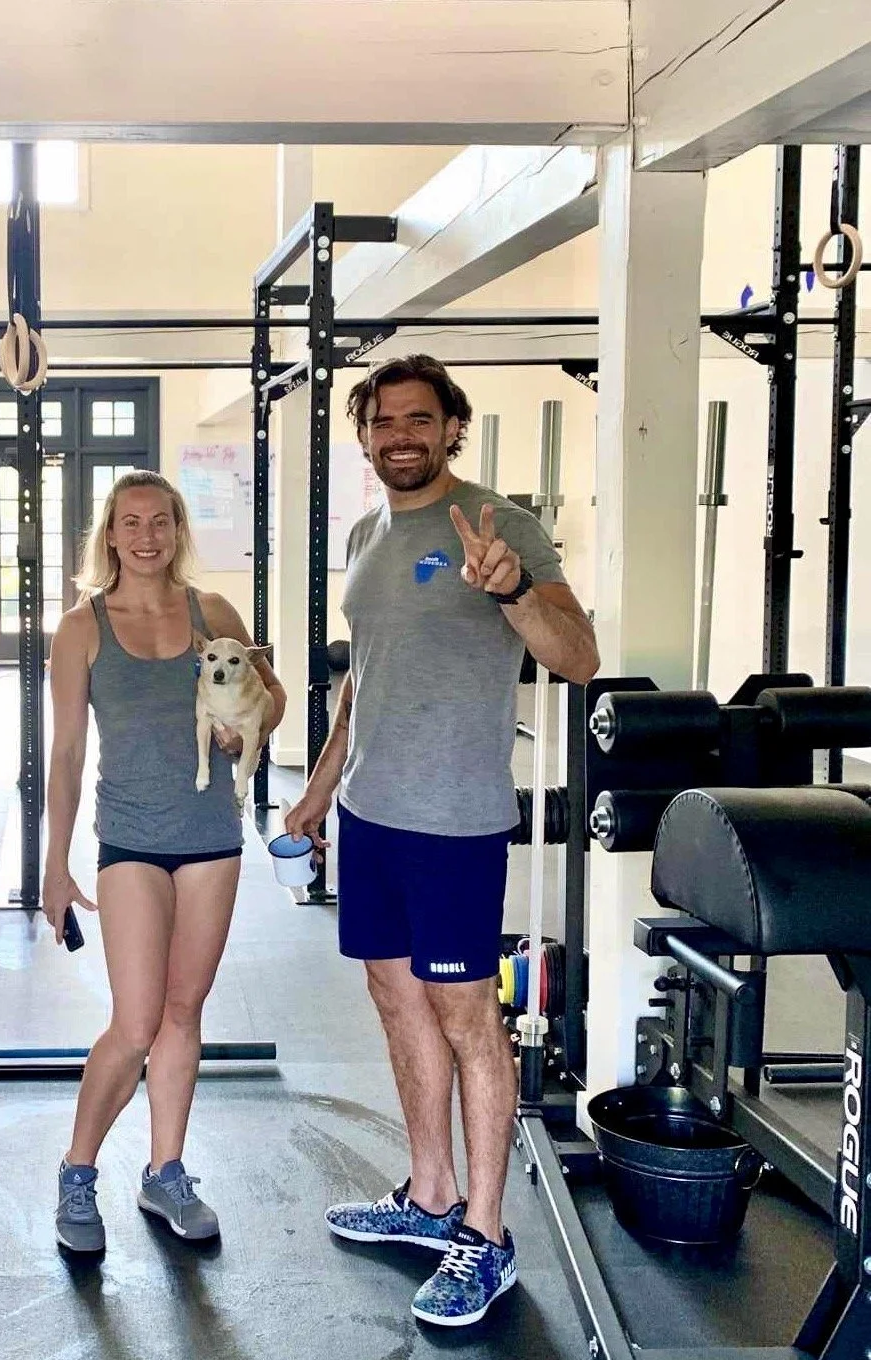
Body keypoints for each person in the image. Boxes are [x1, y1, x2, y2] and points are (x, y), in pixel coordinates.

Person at [286, 356, 599, 1328]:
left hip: (454, 821)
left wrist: (513, 591)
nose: (399, 436)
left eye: (418, 419)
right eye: (382, 422)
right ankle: (428, 1196)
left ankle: (486, 1234)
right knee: (396, 1000)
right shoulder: (366, 533)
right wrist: (321, 785)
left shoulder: (502, 525)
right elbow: (365, 675)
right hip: (370, 814)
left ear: (451, 427)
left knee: (468, 1017)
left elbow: (579, 658)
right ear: (364, 436)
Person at [42, 469, 286, 1255]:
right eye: (131, 522)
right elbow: (67, 752)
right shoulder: (82, 628)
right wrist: (54, 863)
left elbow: (273, 697)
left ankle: (165, 1172)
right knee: (136, 1021)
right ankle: (78, 1172)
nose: (146, 536)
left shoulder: (212, 613)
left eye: (160, 522)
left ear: (178, 531)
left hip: (211, 835)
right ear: (110, 536)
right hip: (132, 839)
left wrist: (244, 729)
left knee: (185, 1013)